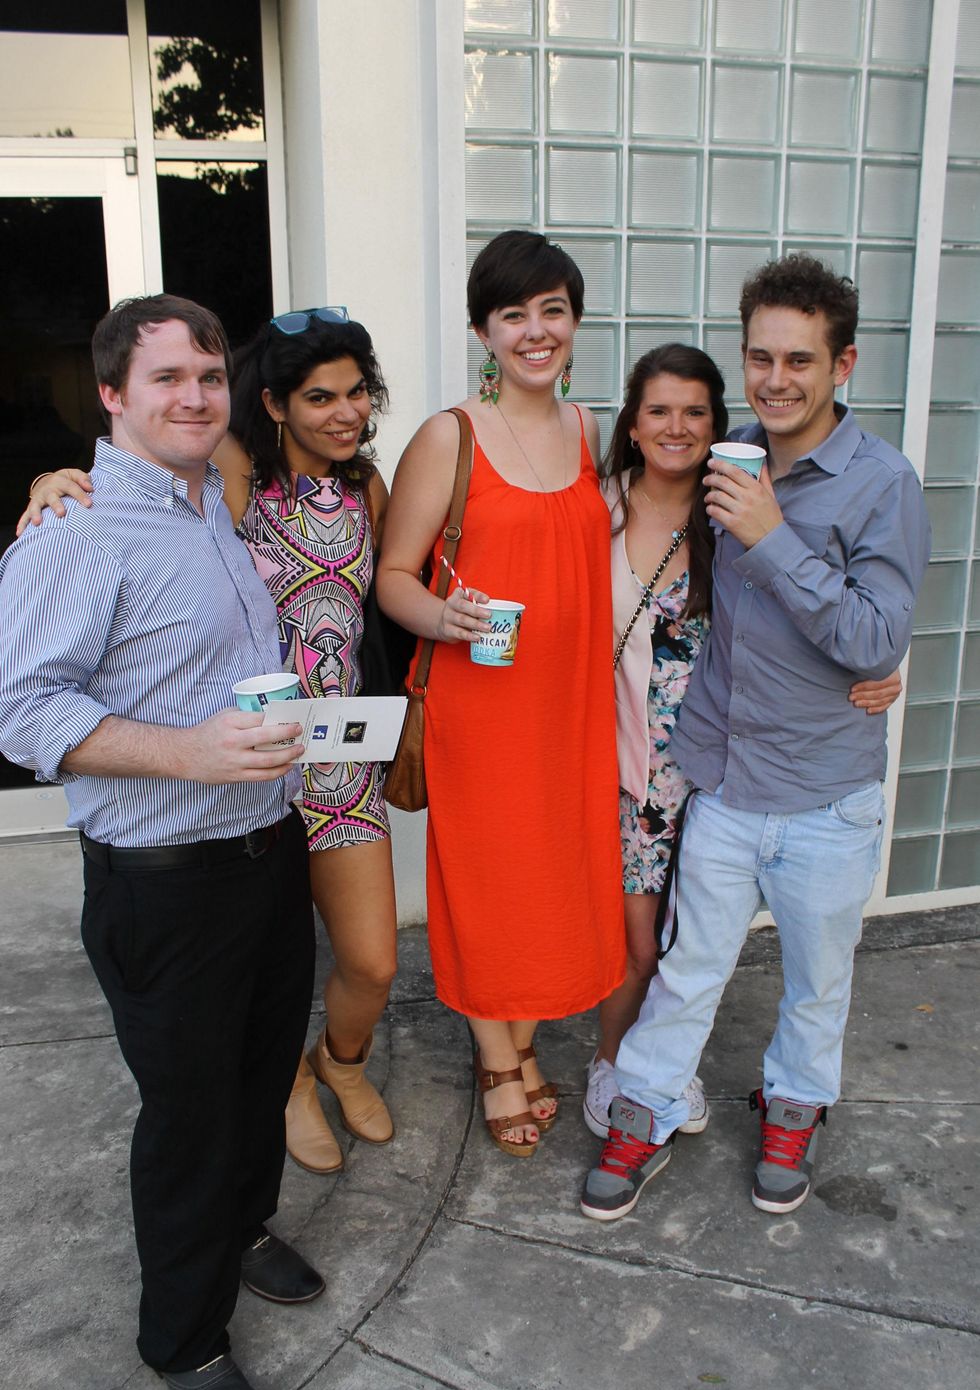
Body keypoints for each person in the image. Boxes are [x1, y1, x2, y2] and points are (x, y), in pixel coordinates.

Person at [0, 295, 322, 1390]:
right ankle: (183, 1337)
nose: (194, 396)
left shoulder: (209, 507)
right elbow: (23, 711)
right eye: (167, 380)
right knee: (187, 1115)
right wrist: (186, 751)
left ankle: (241, 1228)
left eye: (207, 376)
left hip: (263, 853)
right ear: (111, 397)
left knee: (255, 1071)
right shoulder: (75, 531)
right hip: (162, 879)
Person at [581, 254, 930, 1222]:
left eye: (798, 360)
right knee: (689, 964)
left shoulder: (878, 483)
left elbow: (872, 637)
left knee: (817, 980)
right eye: (759, 357)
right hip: (723, 779)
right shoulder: (720, 452)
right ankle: (644, 1106)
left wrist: (774, 537)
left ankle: (793, 1105)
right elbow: (622, 484)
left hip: (826, 793)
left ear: (841, 363)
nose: (775, 378)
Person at [18, 309, 399, 1177]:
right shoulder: (230, 473)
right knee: (244, 990)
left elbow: (393, 594)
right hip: (230, 770)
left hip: (331, 754)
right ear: (273, 403)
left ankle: (333, 1065)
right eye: (320, 397)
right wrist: (55, 479)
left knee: (371, 959)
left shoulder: (364, 487)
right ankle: (286, 1091)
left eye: (356, 396)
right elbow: (142, 472)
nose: (344, 414)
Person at [376, 230, 626, 1157]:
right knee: (486, 879)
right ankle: (497, 1061)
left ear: (574, 322)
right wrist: (444, 620)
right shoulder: (452, 434)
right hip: (482, 707)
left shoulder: (592, 428)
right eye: (513, 314)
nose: (535, 330)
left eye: (551, 310)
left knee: (553, 874)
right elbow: (394, 574)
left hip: (569, 704)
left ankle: (518, 1040)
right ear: (484, 330)